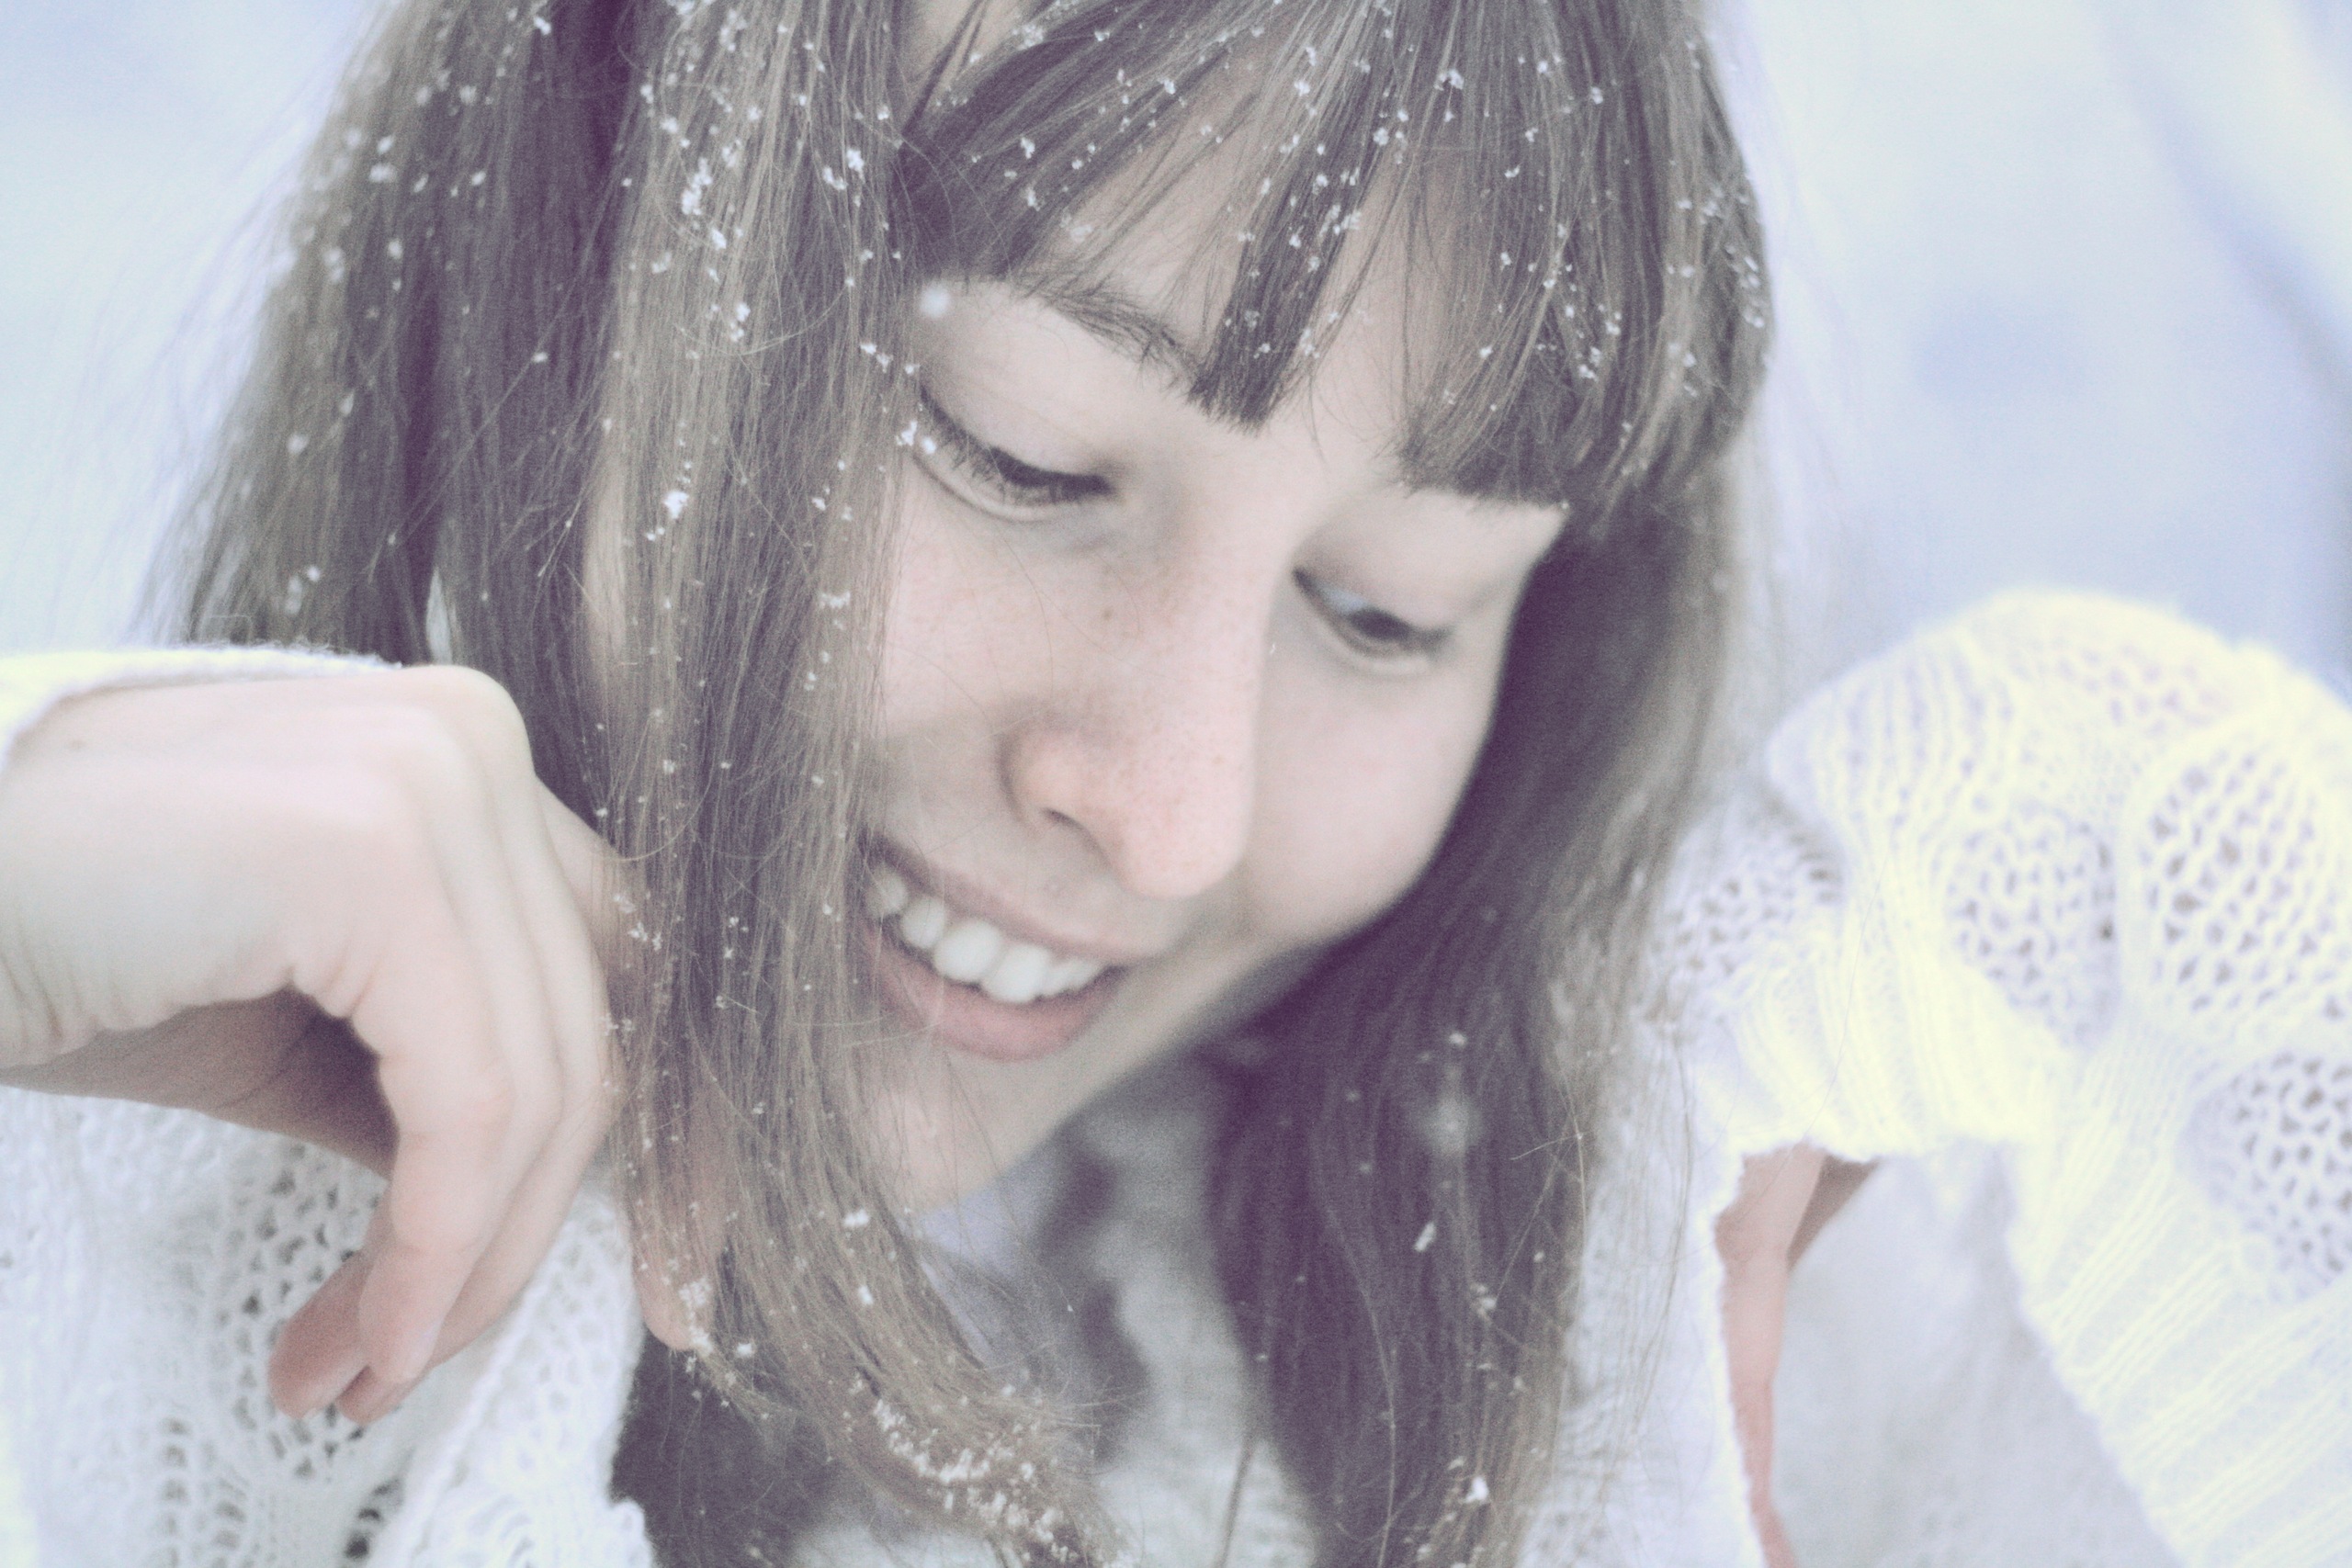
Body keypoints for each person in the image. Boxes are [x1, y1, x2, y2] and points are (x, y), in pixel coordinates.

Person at [0, 2, 2346, 1565]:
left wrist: (2171, 871)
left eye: (1385, 611)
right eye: (1020, 454)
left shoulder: (1660, 1368)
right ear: (586, 217)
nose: (1170, 812)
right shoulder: (70, 1227)